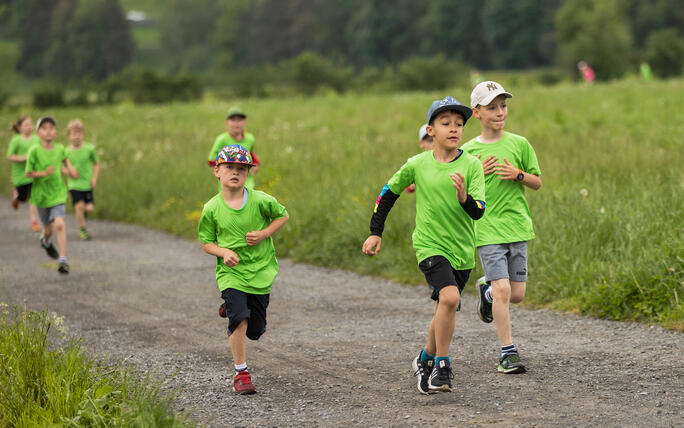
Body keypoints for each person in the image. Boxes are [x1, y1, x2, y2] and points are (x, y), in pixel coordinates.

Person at [362, 96, 486, 394]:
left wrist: (464, 198)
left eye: (459, 124)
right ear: (430, 130)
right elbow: (387, 193)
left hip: (462, 250)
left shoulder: (472, 165)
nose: (454, 129)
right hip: (430, 245)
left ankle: (424, 358)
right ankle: (442, 366)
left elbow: (479, 210)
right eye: (446, 123)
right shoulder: (416, 164)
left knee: (446, 305)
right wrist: (375, 231)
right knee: (450, 298)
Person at [461, 81, 542, 374]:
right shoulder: (467, 152)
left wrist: (518, 175)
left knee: (516, 294)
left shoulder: (520, 144)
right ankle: (507, 353)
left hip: (518, 228)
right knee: (504, 290)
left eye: (503, 106)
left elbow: (537, 182)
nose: (499, 112)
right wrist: (475, 175)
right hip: (486, 229)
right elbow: (457, 194)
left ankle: (486, 291)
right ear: (476, 113)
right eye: (492, 107)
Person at [198, 144, 289, 395]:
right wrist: (224, 252)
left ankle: (232, 307)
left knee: (256, 330)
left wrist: (264, 234)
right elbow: (206, 243)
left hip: (260, 270)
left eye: (241, 168)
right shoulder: (212, 208)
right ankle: (241, 373)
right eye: (229, 167)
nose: (235, 172)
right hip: (231, 274)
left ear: (248, 173)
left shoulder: (260, 200)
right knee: (240, 318)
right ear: (217, 171)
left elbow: (283, 215)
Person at [25, 117, 79, 274]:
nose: (48, 131)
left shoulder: (60, 148)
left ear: (56, 132)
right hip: (41, 196)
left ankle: (63, 260)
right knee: (48, 230)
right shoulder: (34, 151)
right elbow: (28, 173)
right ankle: (45, 241)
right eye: (44, 128)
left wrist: (71, 170)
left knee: (60, 224)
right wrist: (43, 173)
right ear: (38, 133)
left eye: (51, 127)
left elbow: (66, 162)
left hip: (57, 193)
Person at [207, 107, 259, 190]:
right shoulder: (222, 140)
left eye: (239, 120)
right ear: (226, 123)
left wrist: (256, 163)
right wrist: (229, 162)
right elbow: (210, 160)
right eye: (233, 120)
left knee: (246, 200)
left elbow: (250, 153)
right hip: (228, 181)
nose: (236, 123)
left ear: (245, 122)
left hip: (246, 180)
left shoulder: (250, 138)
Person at [64, 119, 100, 241]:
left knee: (89, 208)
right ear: (69, 136)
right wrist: (69, 171)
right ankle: (83, 230)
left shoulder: (89, 149)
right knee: (79, 206)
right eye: (73, 134)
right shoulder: (66, 152)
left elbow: (96, 164)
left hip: (87, 184)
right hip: (74, 185)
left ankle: (82, 214)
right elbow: (59, 167)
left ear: (83, 135)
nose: (76, 137)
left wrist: (94, 178)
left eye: (79, 134)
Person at [6, 115, 41, 231]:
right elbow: (9, 156)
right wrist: (22, 158)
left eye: (31, 124)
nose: (29, 127)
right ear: (20, 127)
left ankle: (34, 222)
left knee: (33, 198)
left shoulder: (37, 139)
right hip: (20, 176)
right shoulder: (16, 140)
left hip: (33, 174)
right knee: (22, 198)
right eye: (26, 125)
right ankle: (16, 196)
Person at [405, 124, 434, 193]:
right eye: (430, 140)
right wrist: (414, 184)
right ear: (421, 143)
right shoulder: (419, 163)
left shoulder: (446, 159)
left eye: (436, 139)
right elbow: (408, 188)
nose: (434, 143)